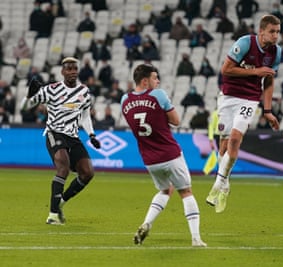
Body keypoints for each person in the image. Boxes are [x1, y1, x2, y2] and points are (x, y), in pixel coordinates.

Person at [121, 63, 206, 247]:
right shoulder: (157, 95)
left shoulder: (124, 100)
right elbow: (176, 121)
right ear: (145, 81)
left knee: (165, 190)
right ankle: (196, 238)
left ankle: (147, 223)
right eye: (154, 78)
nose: (158, 81)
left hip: (150, 159)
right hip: (170, 153)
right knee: (186, 192)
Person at [206, 14, 281, 213]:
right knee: (223, 145)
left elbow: (269, 81)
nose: (276, 36)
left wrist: (267, 110)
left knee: (235, 138)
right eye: (272, 31)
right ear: (262, 31)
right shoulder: (245, 43)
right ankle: (225, 185)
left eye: (278, 32)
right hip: (228, 97)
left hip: (249, 99)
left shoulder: (276, 53)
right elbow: (226, 70)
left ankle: (217, 185)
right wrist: (255, 72)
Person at [20, 57, 101, 225]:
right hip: (54, 133)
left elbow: (85, 115)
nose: (72, 72)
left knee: (87, 173)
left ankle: (60, 204)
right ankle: (52, 215)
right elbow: (24, 107)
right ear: (62, 72)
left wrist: (91, 135)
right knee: (63, 166)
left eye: (74, 69)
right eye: (69, 69)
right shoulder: (51, 89)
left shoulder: (84, 92)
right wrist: (29, 95)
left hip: (73, 137)